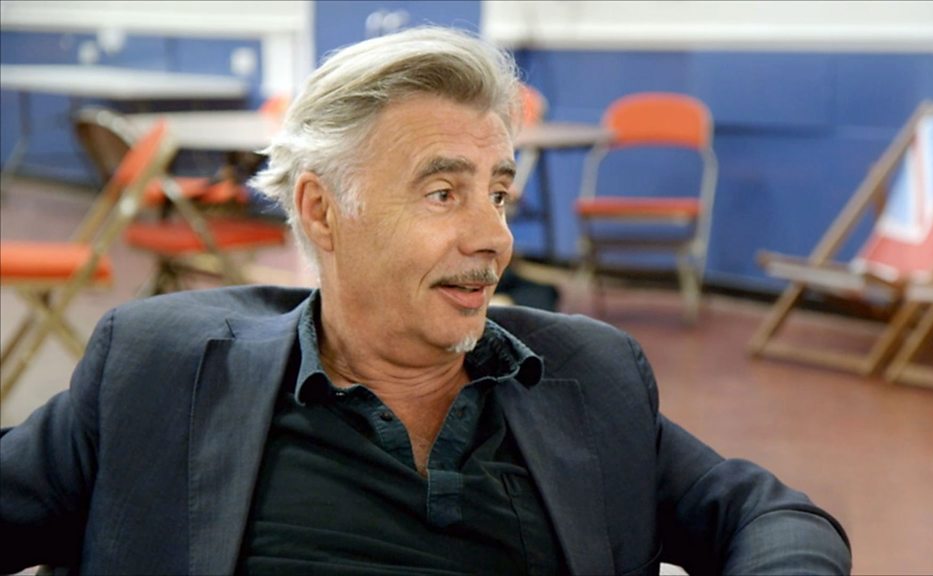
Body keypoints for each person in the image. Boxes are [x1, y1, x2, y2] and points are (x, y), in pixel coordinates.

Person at [0, 27, 851, 576]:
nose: (494, 238)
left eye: (500, 194)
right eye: (444, 194)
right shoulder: (160, 370)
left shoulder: (583, 376)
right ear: (321, 211)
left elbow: (771, 518)